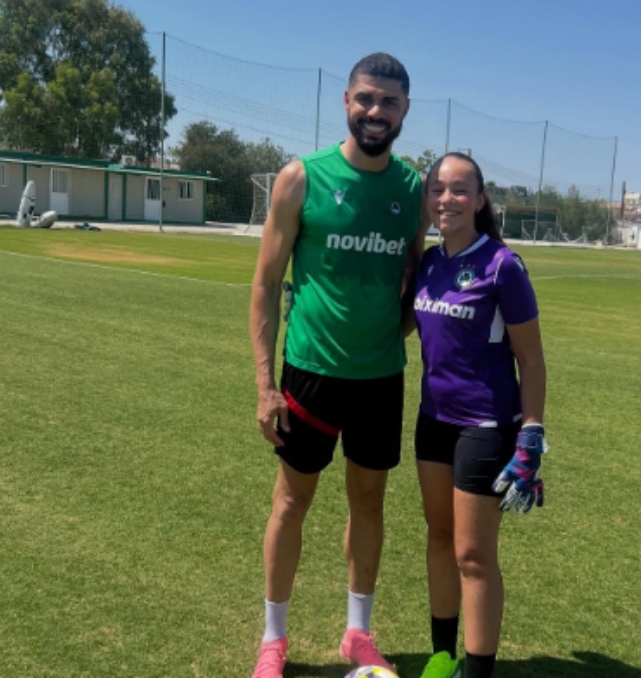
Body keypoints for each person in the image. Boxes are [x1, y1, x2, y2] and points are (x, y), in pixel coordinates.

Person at [248, 52, 427, 678]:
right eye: (366, 99)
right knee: (290, 503)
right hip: (310, 375)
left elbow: (415, 278)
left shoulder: (413, 189)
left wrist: (388, 335)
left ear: (405, 111)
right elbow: (265, 284)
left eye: (389, 102)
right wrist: (265, 384)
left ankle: (357, 633)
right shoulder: (301, 178)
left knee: (369, 503)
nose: (376, 111)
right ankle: (273, 641)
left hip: (380, 378)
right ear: (346, 101)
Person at [410, 153, 547, 678]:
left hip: (485, 427)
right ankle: (443, 656)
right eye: (437, 189)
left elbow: (531, 358)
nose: (447, 199)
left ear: (480, 199)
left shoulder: (502, 266)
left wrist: (531, 432)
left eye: (460, 189)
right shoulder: (428, 262)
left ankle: (478, 673)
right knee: (439, 539)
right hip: (432, 421)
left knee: (473, 554)